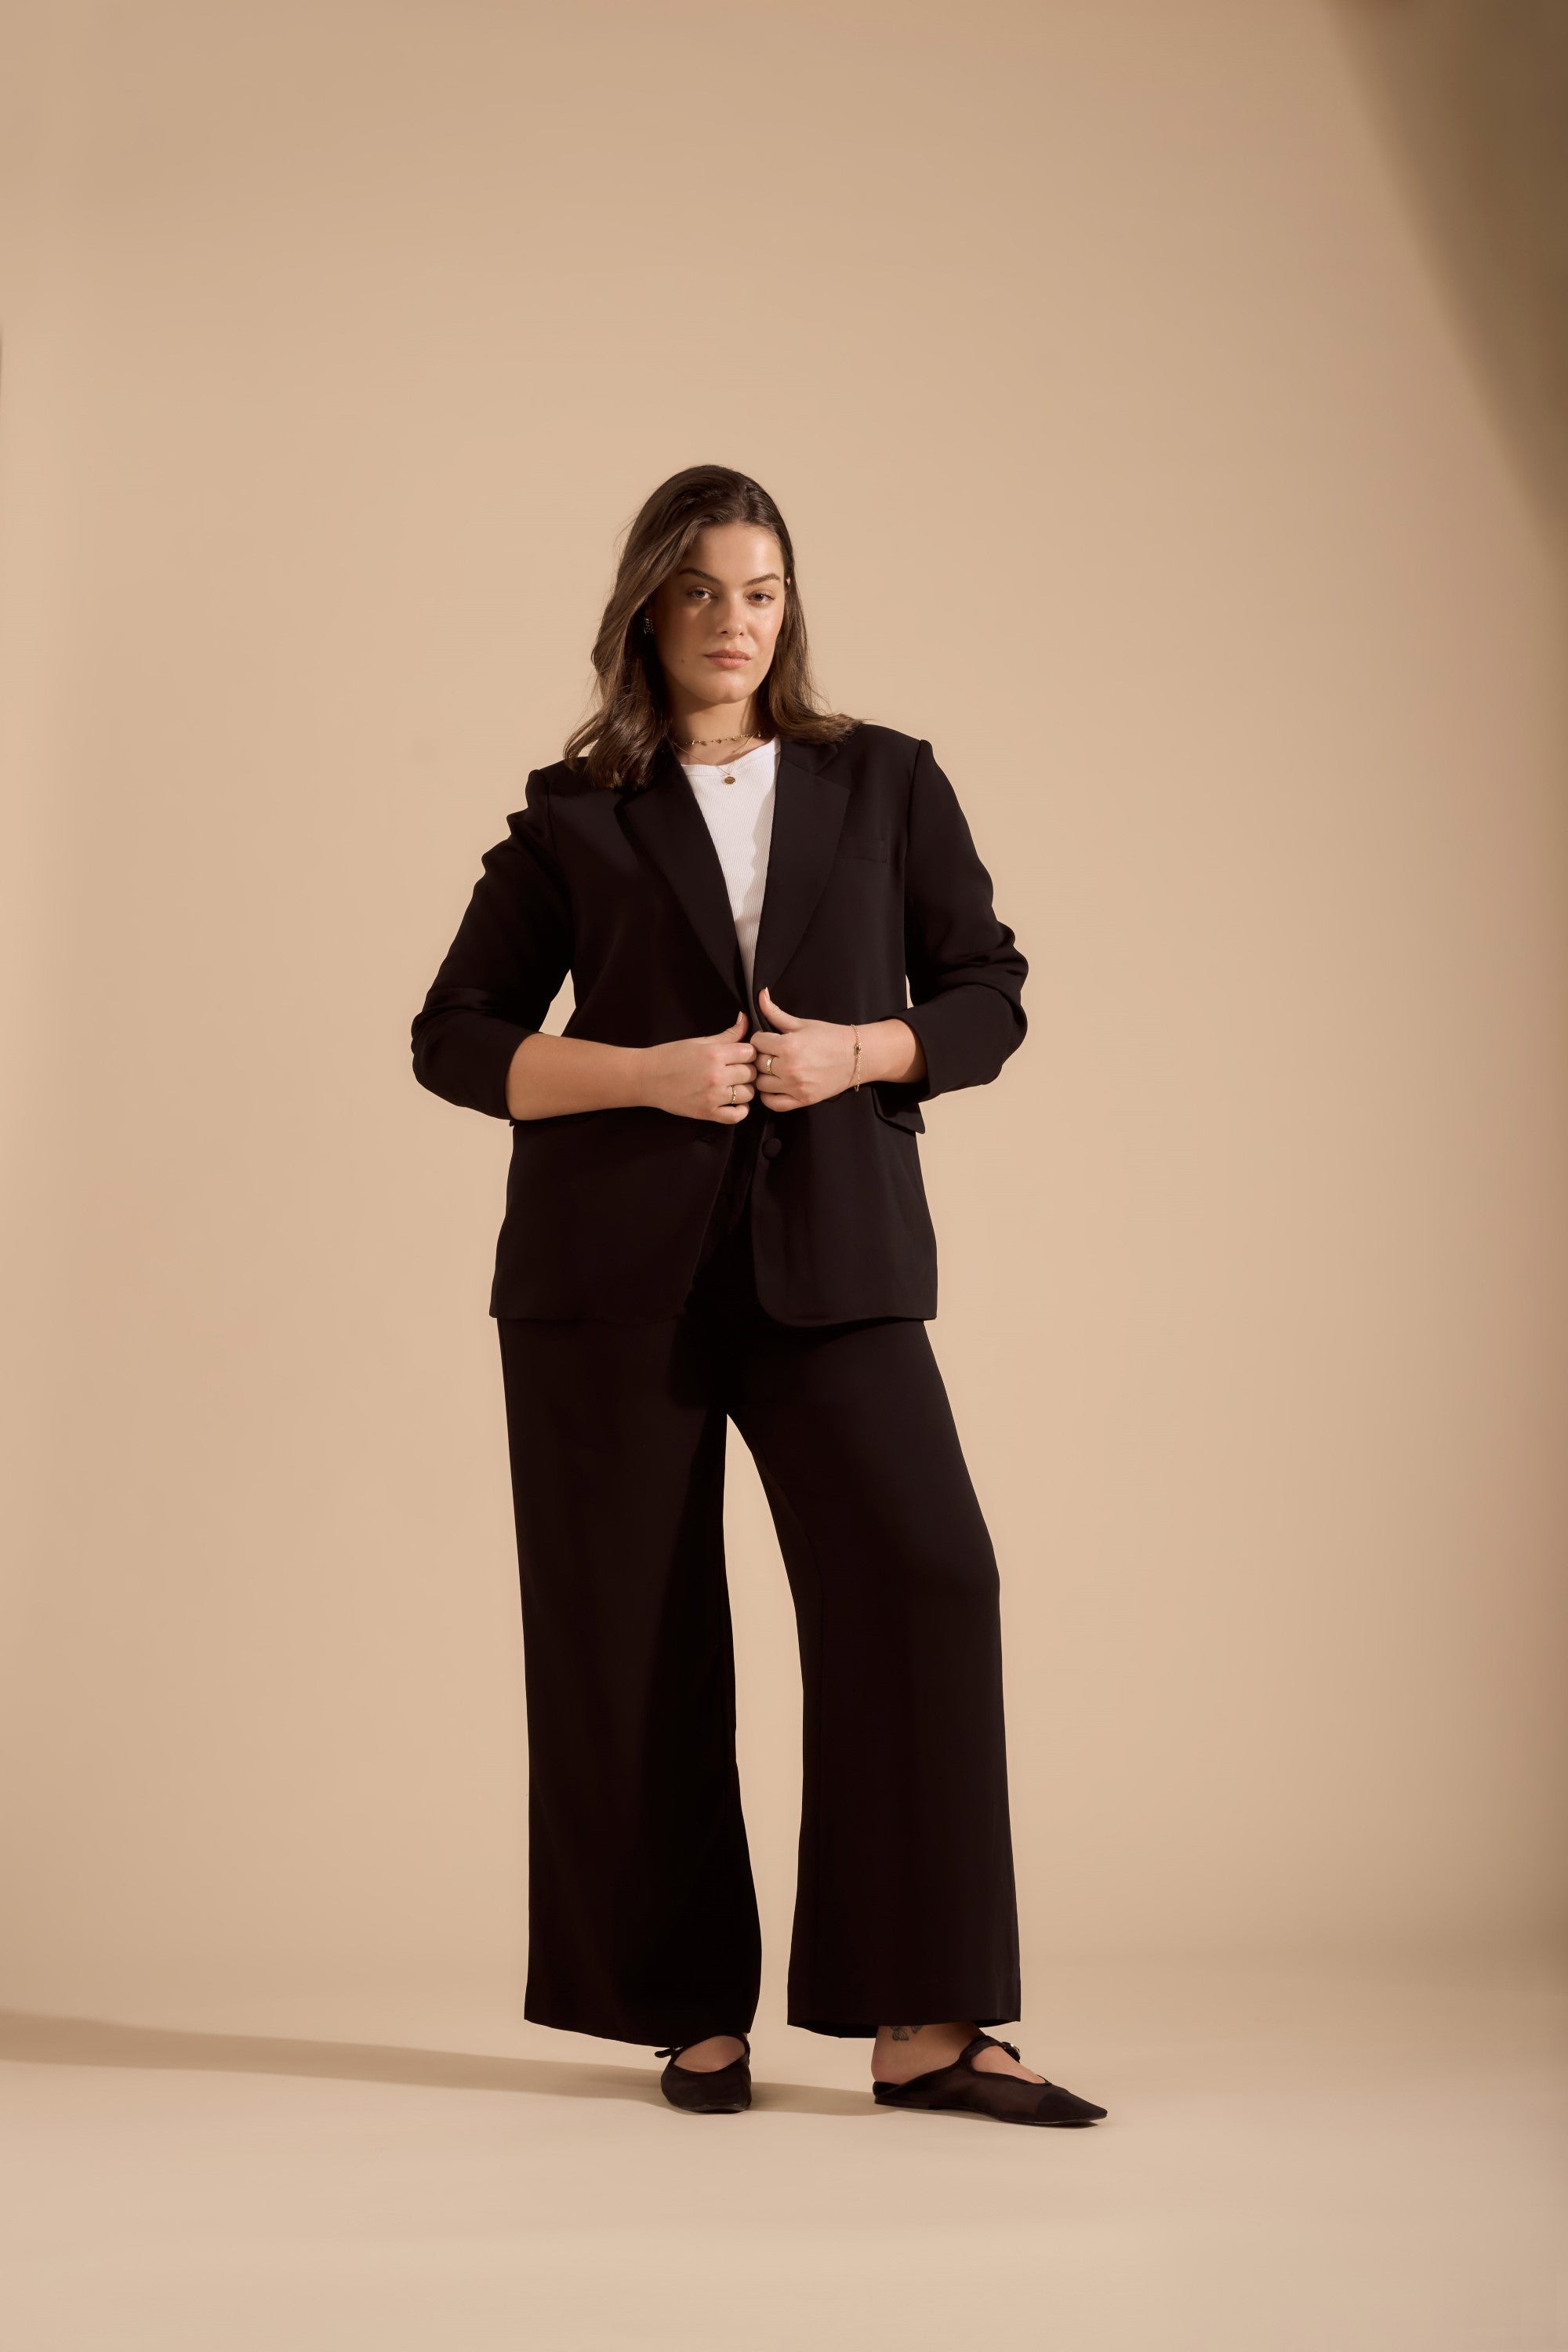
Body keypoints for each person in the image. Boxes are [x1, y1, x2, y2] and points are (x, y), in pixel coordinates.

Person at [410, 464, 1106, 2129]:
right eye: (707, 589)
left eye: (766, 589)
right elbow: (454, 1035)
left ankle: (924, 2030)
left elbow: (987, 990)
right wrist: (644, 1073)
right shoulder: (574, 811)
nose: (738, 620)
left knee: (924, 1580)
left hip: (838, 1259)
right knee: (630, 1636)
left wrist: (861, 1052)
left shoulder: (884, 782)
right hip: (604, 1280)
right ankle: (685, 2015)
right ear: (648, 606)